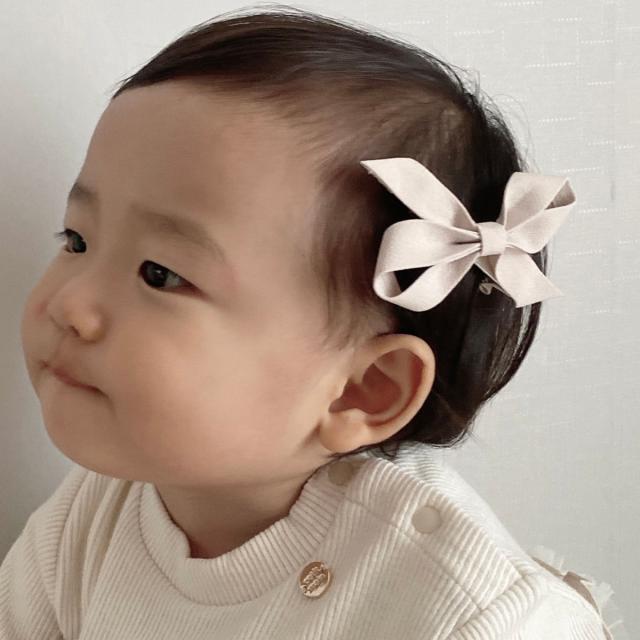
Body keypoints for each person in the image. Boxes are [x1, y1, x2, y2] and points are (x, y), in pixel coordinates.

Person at [1, 4, 627, 639]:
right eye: (77, 240)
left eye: (160, 274)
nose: (70, 304)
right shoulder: (95, 512)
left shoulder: (477, 614)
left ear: (363, 390)